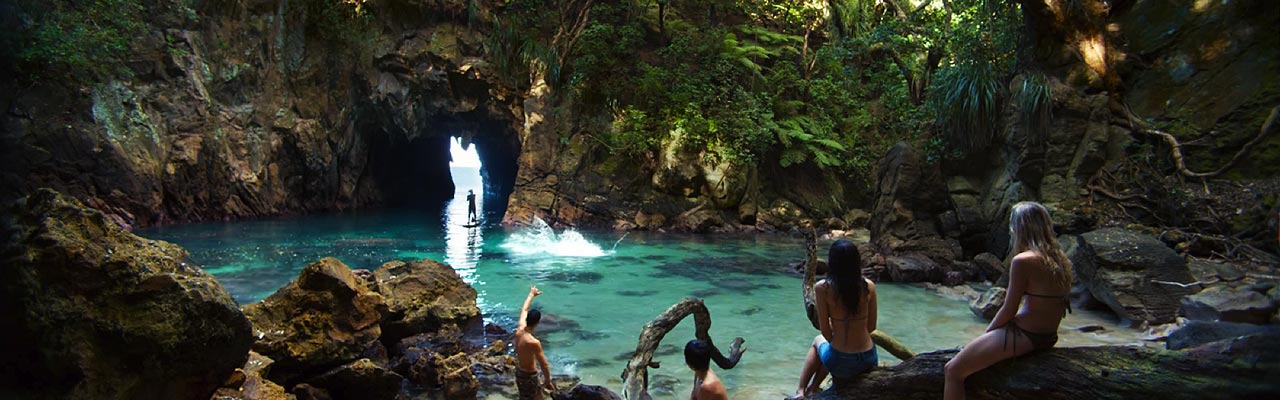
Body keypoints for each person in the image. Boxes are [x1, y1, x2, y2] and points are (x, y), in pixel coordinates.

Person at [943, 201, 1074, 400]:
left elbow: (1009, 308)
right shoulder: (1060, 259)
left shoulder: (1024, 260)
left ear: (1019, 228)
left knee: (953, 371)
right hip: (1048, 335)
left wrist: (984, 336)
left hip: (1025, 335)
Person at [794, 240, 878, 398]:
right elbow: (871, 327)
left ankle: (801, 390)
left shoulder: (822, 288)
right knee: (831, 348)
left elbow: (825, 332)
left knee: (819, 342)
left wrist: (840, 337)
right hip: (868, 359)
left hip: (840, 361)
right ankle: (813, 388)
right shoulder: (869, 286)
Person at [515, 285, 555, 399]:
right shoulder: (533, 342)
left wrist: (531, 294)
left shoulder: (519, 329)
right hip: (529, 375)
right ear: (537, 323)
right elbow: (544, 364)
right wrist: (547, 380)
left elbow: (524, 309)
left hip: (519, 373)